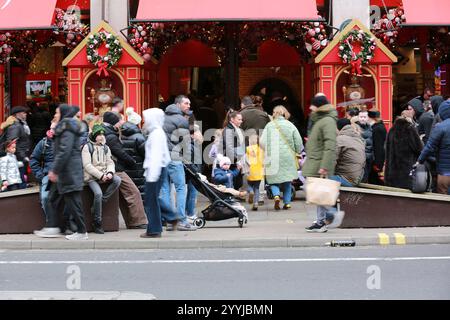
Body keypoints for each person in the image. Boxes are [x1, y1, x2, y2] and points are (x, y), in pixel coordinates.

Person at [34, 105, 88, 240]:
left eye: (57, 112)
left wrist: (54, 170)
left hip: (68, 171)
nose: (55, 115)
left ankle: (81, 231)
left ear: (63, 113)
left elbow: (64, 151)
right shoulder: (65, 127)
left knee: (73, 203)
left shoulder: (67, 128)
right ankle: (52, 227)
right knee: (51, 199)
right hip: (64, 172)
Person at [102, 111, 148, 229]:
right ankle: (138, 222)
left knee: (124, 196)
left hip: (109, 168)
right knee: (133, 192)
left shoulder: (105, 133)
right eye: (119, 121)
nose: (120, 123)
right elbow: (120, 153)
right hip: (116, 169)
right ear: (113, 123)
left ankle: (131, 221)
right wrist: (132, 162)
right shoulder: (111, 136)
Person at [141, 108, 179, 238]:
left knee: (151, 200)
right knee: (152, 199)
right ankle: (169, 217)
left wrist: (152, 175)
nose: (144, 121)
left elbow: (156, 156)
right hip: (157, 169)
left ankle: (155, 229)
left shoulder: (156, 134)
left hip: (155, 170)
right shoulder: (157, 132)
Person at [303, 95, 338, 233]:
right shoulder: (320, 120)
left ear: (318, 107)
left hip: (320, 163)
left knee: (316, 191)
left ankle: (332, 213)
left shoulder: (327, 121)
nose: (310, 108)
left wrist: (325, 166)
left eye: (312, 105)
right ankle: (321, 221)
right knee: (318, 192)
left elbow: (330, 145)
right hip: (316, 161)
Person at [161, 95, 196, 231]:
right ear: (178, 104)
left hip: (162, 158)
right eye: (186, 103)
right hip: (174, 157)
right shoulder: (181, 119)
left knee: (165, 188)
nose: (188, 106)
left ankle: (170, 220)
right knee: (181, 187)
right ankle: (181, 220)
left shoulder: (162, 118)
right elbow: (185, 143)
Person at [260, 106, 303, 210]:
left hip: (273, 156)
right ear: (285, 113)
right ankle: (287, 203)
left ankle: (276, 195)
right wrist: (297, 151)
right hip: (288, 156)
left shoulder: (269, 125)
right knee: (287, 181)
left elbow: (262, 142)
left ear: (274, 114)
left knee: (273, 180)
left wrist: (267, 151)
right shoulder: (290, 125)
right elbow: (298, 141)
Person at [82, 124, 121, 234]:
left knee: (117, 180)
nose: (101, 136)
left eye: (103, 134)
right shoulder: (87, 147)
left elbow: (110, 162)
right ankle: (97, 222)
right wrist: (101, 175)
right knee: (98, 194)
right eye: (99, 134)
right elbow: (87, 165)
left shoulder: (106, 147)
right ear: (94, 136)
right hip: (91, 177)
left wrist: (109, 172)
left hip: (104, 174)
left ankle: (101, 201)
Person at [417, 100, 450, 195]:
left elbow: (429, 146)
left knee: (443, 201)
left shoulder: (440, 127)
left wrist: (419, 161)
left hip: (445, 173)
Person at [385, 115, 423, 189]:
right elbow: (419, 148)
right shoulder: (410, 129)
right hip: (407, 171)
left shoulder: (391, 130)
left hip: (392, 171)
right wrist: (420, 139)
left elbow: (386, 148)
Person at [29, 123, 56, 220]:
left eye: (55, 128)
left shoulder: (65, 142)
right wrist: (40, 174)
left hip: (63, 176)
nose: (53, 130)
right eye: (51, 128)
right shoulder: (43, 143)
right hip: (48, 176)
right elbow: (33, 160)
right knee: (45, 198)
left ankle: (68, 224)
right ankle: (50, 222)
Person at [4, 106, 32, 188]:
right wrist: (22, 156)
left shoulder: (21, 124)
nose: (26, 114)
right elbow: (11, 143)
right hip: (18, 156)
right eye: (23, 113)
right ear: (17, 114)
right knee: (19, 177)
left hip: (21, 154)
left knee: (21, 176)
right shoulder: (15, 126)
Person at [333, 119, 366, 187]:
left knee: (316, 177)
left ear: (337, 128)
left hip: (345, 179)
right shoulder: (358, 139)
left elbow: (330, 161)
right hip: (356, 178)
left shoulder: (340, 139)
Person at [220, 110, 245, 190]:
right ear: (232, 119)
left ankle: (235, 194)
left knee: (237, 179)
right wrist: (236, 159)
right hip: (231, 159)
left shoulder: (237, 129)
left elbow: (240, 144)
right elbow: (229, 147)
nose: (241, 121)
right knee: (232, 179)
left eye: (241, 119)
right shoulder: (228, 130)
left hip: (237, 157)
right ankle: (231, 196)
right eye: (239, 119)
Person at [245, 134, 264, 211]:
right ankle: (256, 203)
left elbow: (246, 160)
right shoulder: (261, 150)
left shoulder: (247, 149)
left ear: (249, 141)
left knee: (249, 185)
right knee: (257, 188)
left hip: (250, 170)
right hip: (259, 172)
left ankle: (250, 191)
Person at [368, 110, 387, 185]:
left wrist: (378, 163)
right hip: (378, 160)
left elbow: (378, 147)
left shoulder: (377, 129)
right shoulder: (380, 126)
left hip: (376, 161)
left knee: (375, 181)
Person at [355, 110, 373, 183]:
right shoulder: (354, 128)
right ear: (358, 117)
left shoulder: (371, 128)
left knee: (366, 178)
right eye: (361, 117)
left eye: (364, 117)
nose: (362, 119)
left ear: (367, 118)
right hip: (358, 157)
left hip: (368, 158)